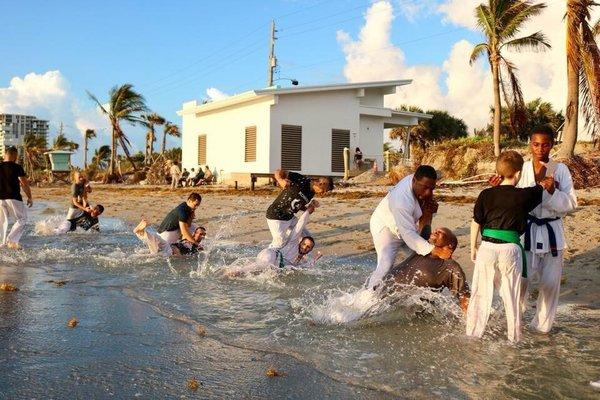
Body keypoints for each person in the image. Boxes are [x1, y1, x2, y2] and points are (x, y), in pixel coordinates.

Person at [466, 150, 553, 343]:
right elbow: (541, 187)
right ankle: (514, 339)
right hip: (510, 249)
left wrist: (473, 247)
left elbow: (476, 222)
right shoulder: (524, 196)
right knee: (511, 296)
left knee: (480, 294)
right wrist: (546, 183)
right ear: (519, 173)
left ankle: (472, 335)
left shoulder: (485, 194)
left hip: (487, 246)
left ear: (498, 172)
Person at [516, 126, 577, 333]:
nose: (540, 148)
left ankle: (542, 329)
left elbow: (570, 204)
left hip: (552, 233)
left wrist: (552, 193)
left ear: (552, 145)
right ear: (530, 144)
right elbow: (513, 199)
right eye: (536, 144)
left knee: (550, 285)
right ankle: (516, 322)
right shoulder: (521, 169)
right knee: (521, 280)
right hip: (527, 230)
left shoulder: (561, 170)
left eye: (545, 144)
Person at [367, 165, 451, 288]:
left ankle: (411, 290)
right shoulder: (401, 201)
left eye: (432, 188)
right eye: (425, 188)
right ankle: (367, 298)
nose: (428, 192)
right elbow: (408, 234)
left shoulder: (423, 186)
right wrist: (433, 249)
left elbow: (424, 226)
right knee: (385, 265)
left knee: (420, 258)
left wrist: (428, 213)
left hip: (407, 225)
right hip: (385, 226)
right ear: (414, 180)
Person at [380, 226, 470, 313]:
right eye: (435, 230)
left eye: (441, 232)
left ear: (450, 245)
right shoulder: (421, 250)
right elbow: (422, 226)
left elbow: (464, 296)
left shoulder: (451, 267)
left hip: (401, 308)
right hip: (381, 293)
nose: (435, 232)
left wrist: (469, 321)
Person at [224, 204, 321, 277]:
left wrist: (314, 260)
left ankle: (233, 271)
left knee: (257, 273)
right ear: (300, 242)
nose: (305, 247)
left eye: (308, 247)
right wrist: (307, 211)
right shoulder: (293, 242)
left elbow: (301, 268)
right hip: (271, 254)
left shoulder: (301, 260)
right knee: (256, 268)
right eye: (304, 244)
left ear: (310, 250)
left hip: (272, 262)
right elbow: (300, 225)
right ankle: (237, 271)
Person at [265, 169, 334, 249]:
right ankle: (266, 258)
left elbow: (298, 204)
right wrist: (281, 180)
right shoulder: (301, 179)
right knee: (279, 243)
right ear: (320, 183)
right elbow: (278, 172)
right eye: (325, 190)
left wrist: (308, 208)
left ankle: (298, 257)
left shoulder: (311, 193)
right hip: (276, 216)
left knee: (307, 239)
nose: (324, 193)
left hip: (289, 217)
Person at [0, 147, 33, 249]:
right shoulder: (17, 167)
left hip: (0, 199)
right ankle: (11, 240)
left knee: (3, 222)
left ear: (5, 154)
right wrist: (29, 197)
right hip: (13, 197)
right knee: (22, 219)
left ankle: (2, 244)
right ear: (14, 155)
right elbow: (24, 183)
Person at [134, 218, 206, 257]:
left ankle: (140, 232)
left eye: (203, 234)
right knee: (155, 238)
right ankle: (140, 232)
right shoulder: (188, 239)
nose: (202, 236)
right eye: (200, 234)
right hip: (170, 249)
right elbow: (176, 247)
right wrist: (179, 256)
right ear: (194, 233)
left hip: (168, 252)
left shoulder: (198, 247)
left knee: (151, 253)